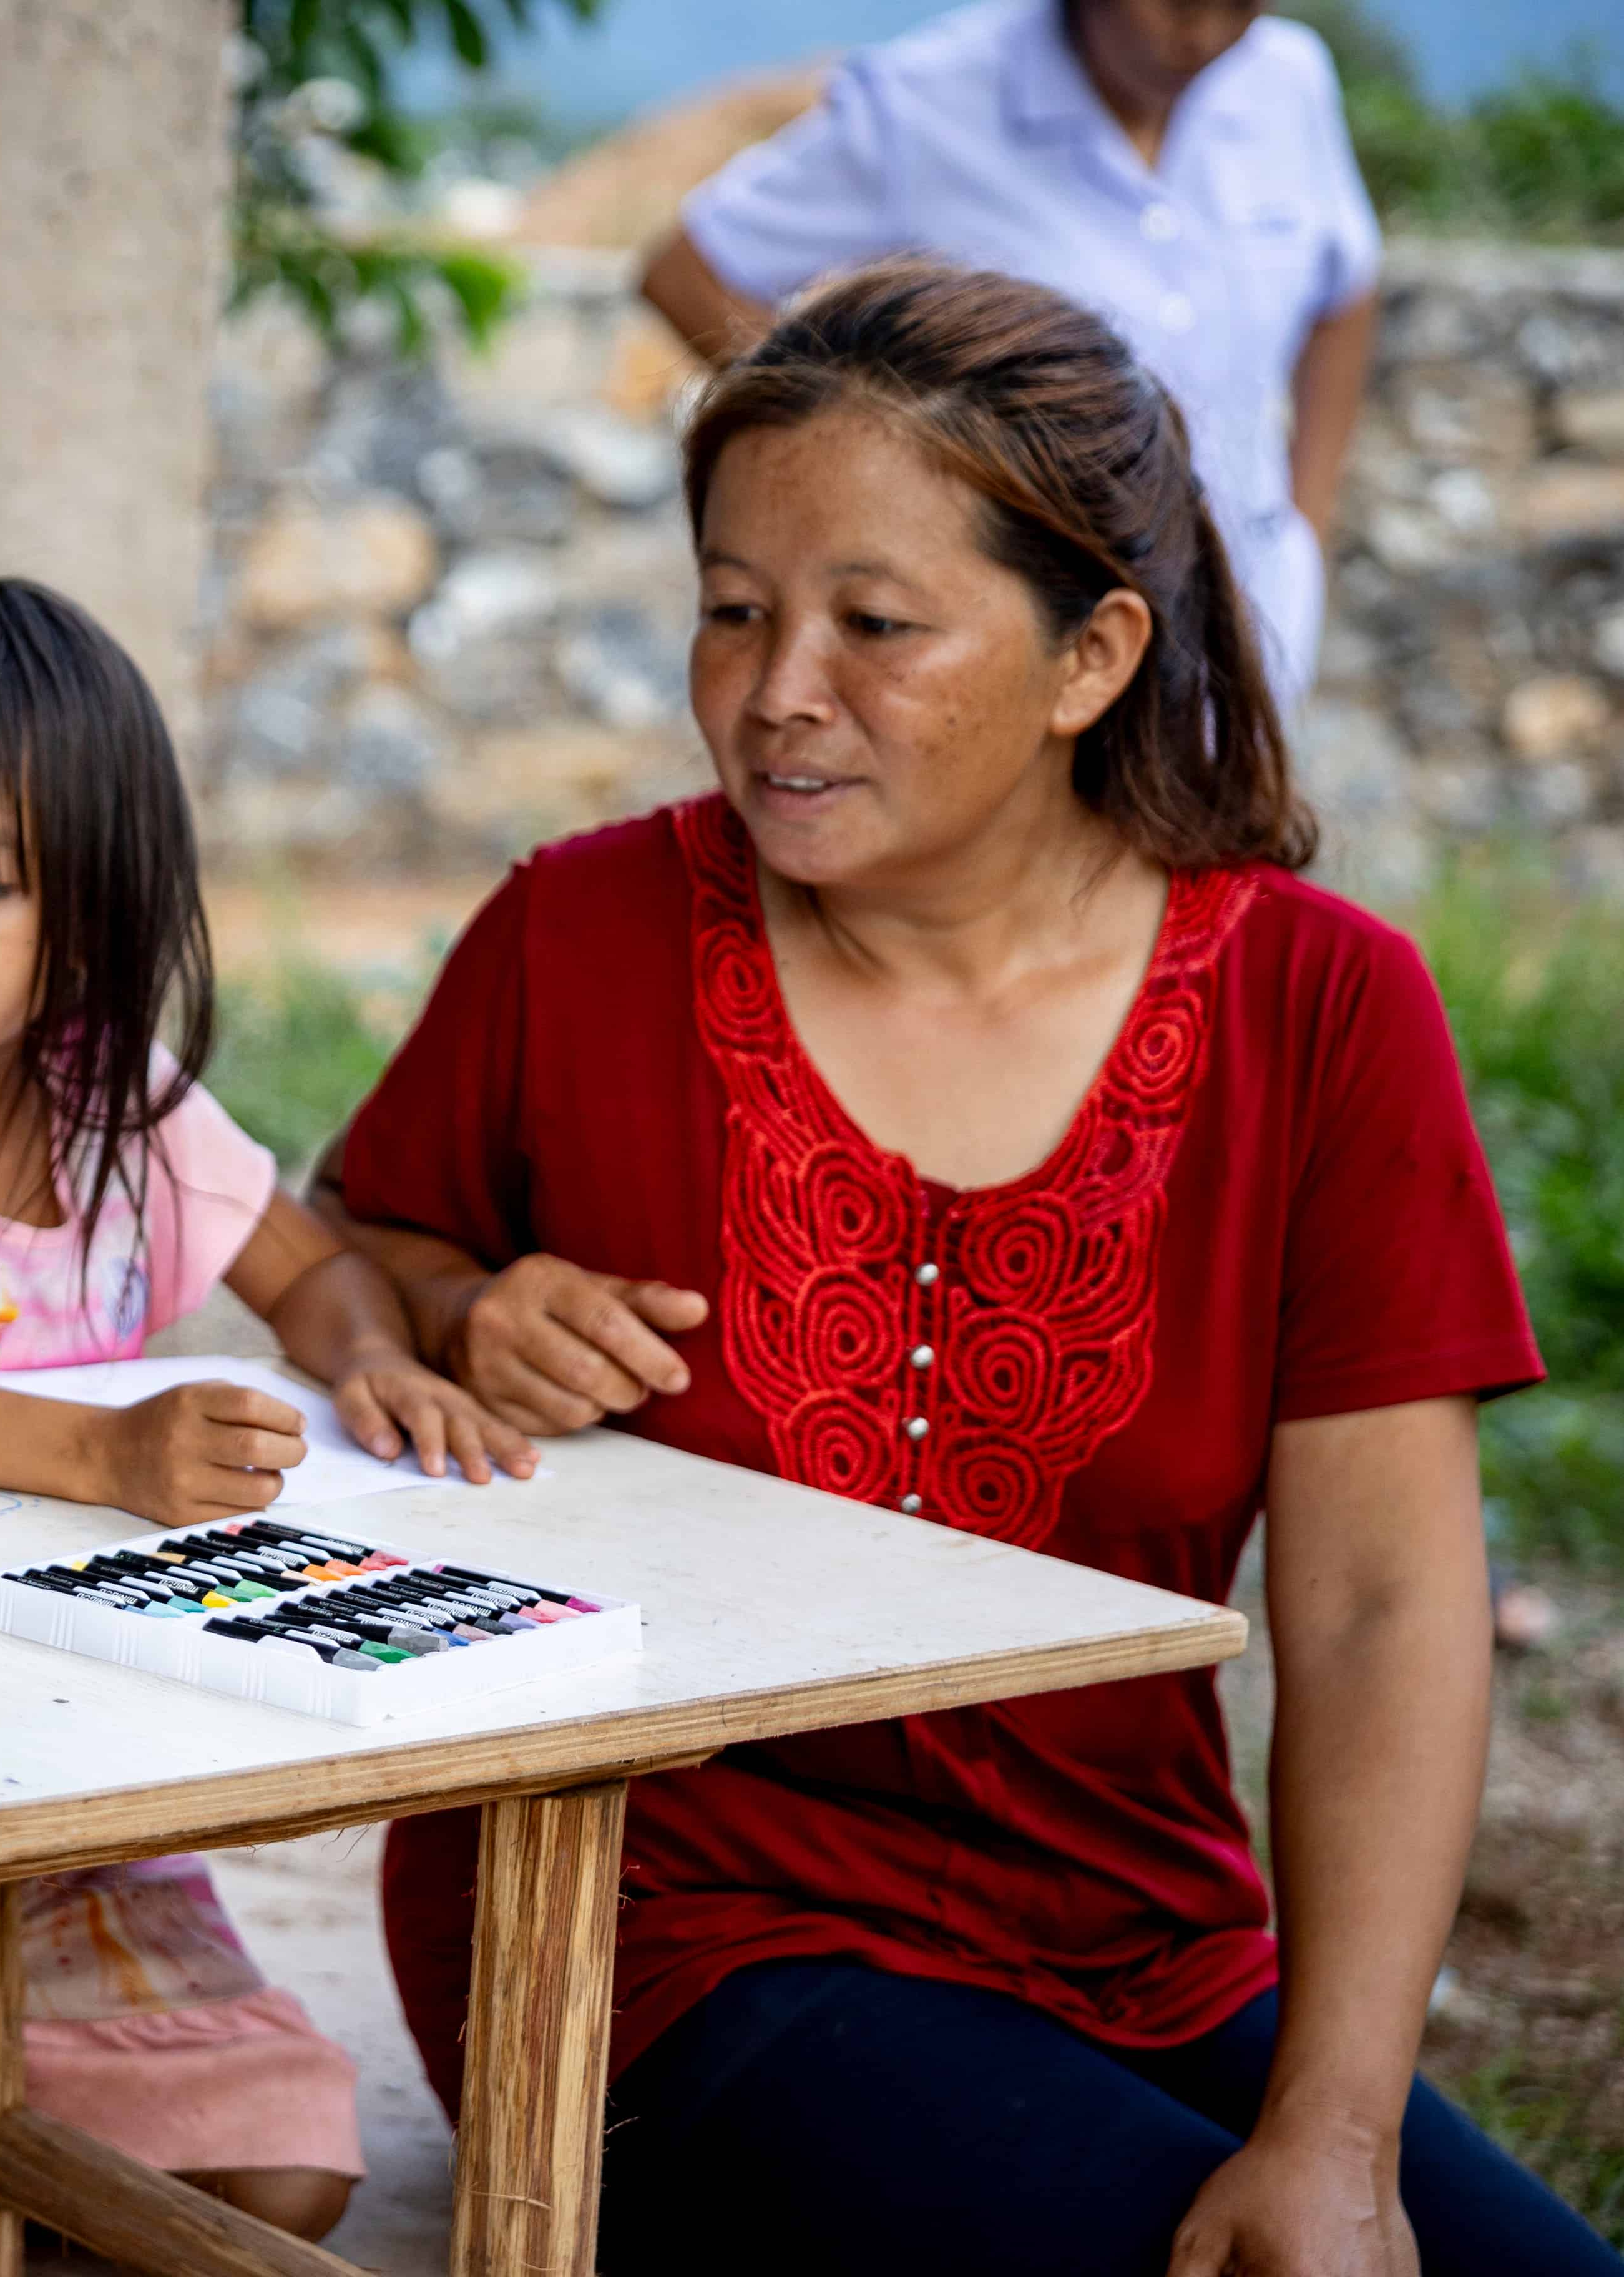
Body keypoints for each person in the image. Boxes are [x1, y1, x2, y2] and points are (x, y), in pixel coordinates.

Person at [320, 263, 1621, 2275]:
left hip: (1145, 1935)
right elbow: (351, 1246)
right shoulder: (571, 939)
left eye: (872, 622)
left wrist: (1338, 2135)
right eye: (733, 607)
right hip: (647, 1923)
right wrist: (455, 1307)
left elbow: (1374, 1606)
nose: (775, 689)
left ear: (1092, 651)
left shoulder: (1320, 1008)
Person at [0, 570, 530, 2241]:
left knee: (286, 2181)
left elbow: (306, 1269)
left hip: (76, 1801)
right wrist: (98, 1451)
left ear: (88, 911)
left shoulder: (124, 1107)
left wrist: (371, 1359)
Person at [638, 0, 1379, 706]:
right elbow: (690, 269)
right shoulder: (927, 104)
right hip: (1031, 649)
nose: (1204, 32)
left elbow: (1345, 284)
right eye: (1175, 2)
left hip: (1250, 626)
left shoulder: (1289, 81)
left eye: (1241, 6)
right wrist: (871, 462)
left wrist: (1301, 533)